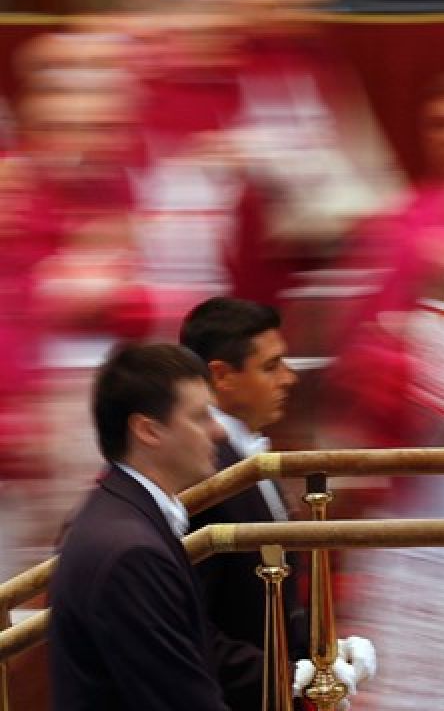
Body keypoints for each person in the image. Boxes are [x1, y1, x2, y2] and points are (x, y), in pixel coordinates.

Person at [48, 343, 260, 711]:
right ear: (148, 430)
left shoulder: (123, 517)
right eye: (200, 417)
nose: (219, 432)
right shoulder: (131, 553)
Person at [179, 296, 307, 703]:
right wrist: (283, 676)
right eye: (271, 367)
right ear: (221, 376)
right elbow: (192, 622)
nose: (289, 379)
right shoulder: (203, 473)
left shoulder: (244, 456)